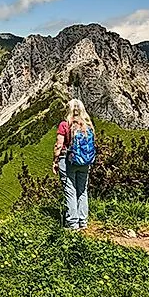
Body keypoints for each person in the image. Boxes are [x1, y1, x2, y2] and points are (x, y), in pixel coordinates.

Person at [52, 98, 95, 230]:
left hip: (68, 160)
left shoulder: (65, 124)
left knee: (70, 190)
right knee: (82, 190)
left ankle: (72, 223)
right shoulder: (88, 125)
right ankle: (83, 221)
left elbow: (59, 145)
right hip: (85, 161)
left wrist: (55, 161)